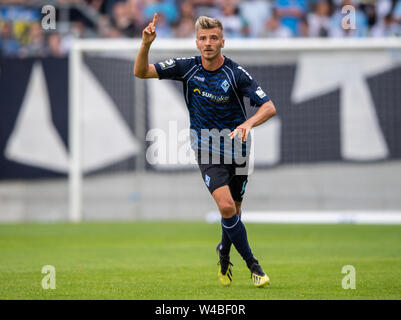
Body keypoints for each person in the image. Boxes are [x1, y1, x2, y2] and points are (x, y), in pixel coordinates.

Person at [134, 14, 276, 288]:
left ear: (223, 41)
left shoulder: (235, 73)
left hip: (237, 148)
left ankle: (223, 253)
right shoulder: (187, 67)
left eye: (213, 38)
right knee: (225, 206)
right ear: (196, 42)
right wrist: (146, 44)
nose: (208, 43)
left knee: (233, 211)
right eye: (203, 38)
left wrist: (247, 124)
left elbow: (269, 107)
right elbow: (141, 72)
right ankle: (254, 266)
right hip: (206, 147)